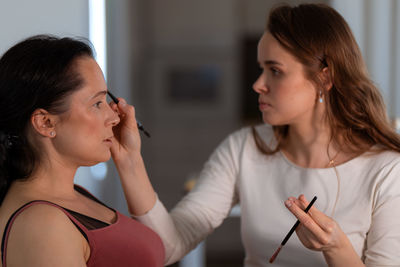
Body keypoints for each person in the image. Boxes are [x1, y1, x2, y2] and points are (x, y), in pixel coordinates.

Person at [123, 3, 400, 267]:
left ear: (324, 78)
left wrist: (336, 248)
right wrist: (129, 161)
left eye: (275, 71)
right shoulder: (244, 148)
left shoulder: (387, 170)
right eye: (261, 69)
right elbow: (169, 245)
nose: (258, 84)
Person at [0, 35, 164, 267]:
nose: (115, 116)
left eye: (106, 100)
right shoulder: (43, 224)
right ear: (45, 123)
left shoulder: (73, 196)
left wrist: (129, 158)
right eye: (97, 104)